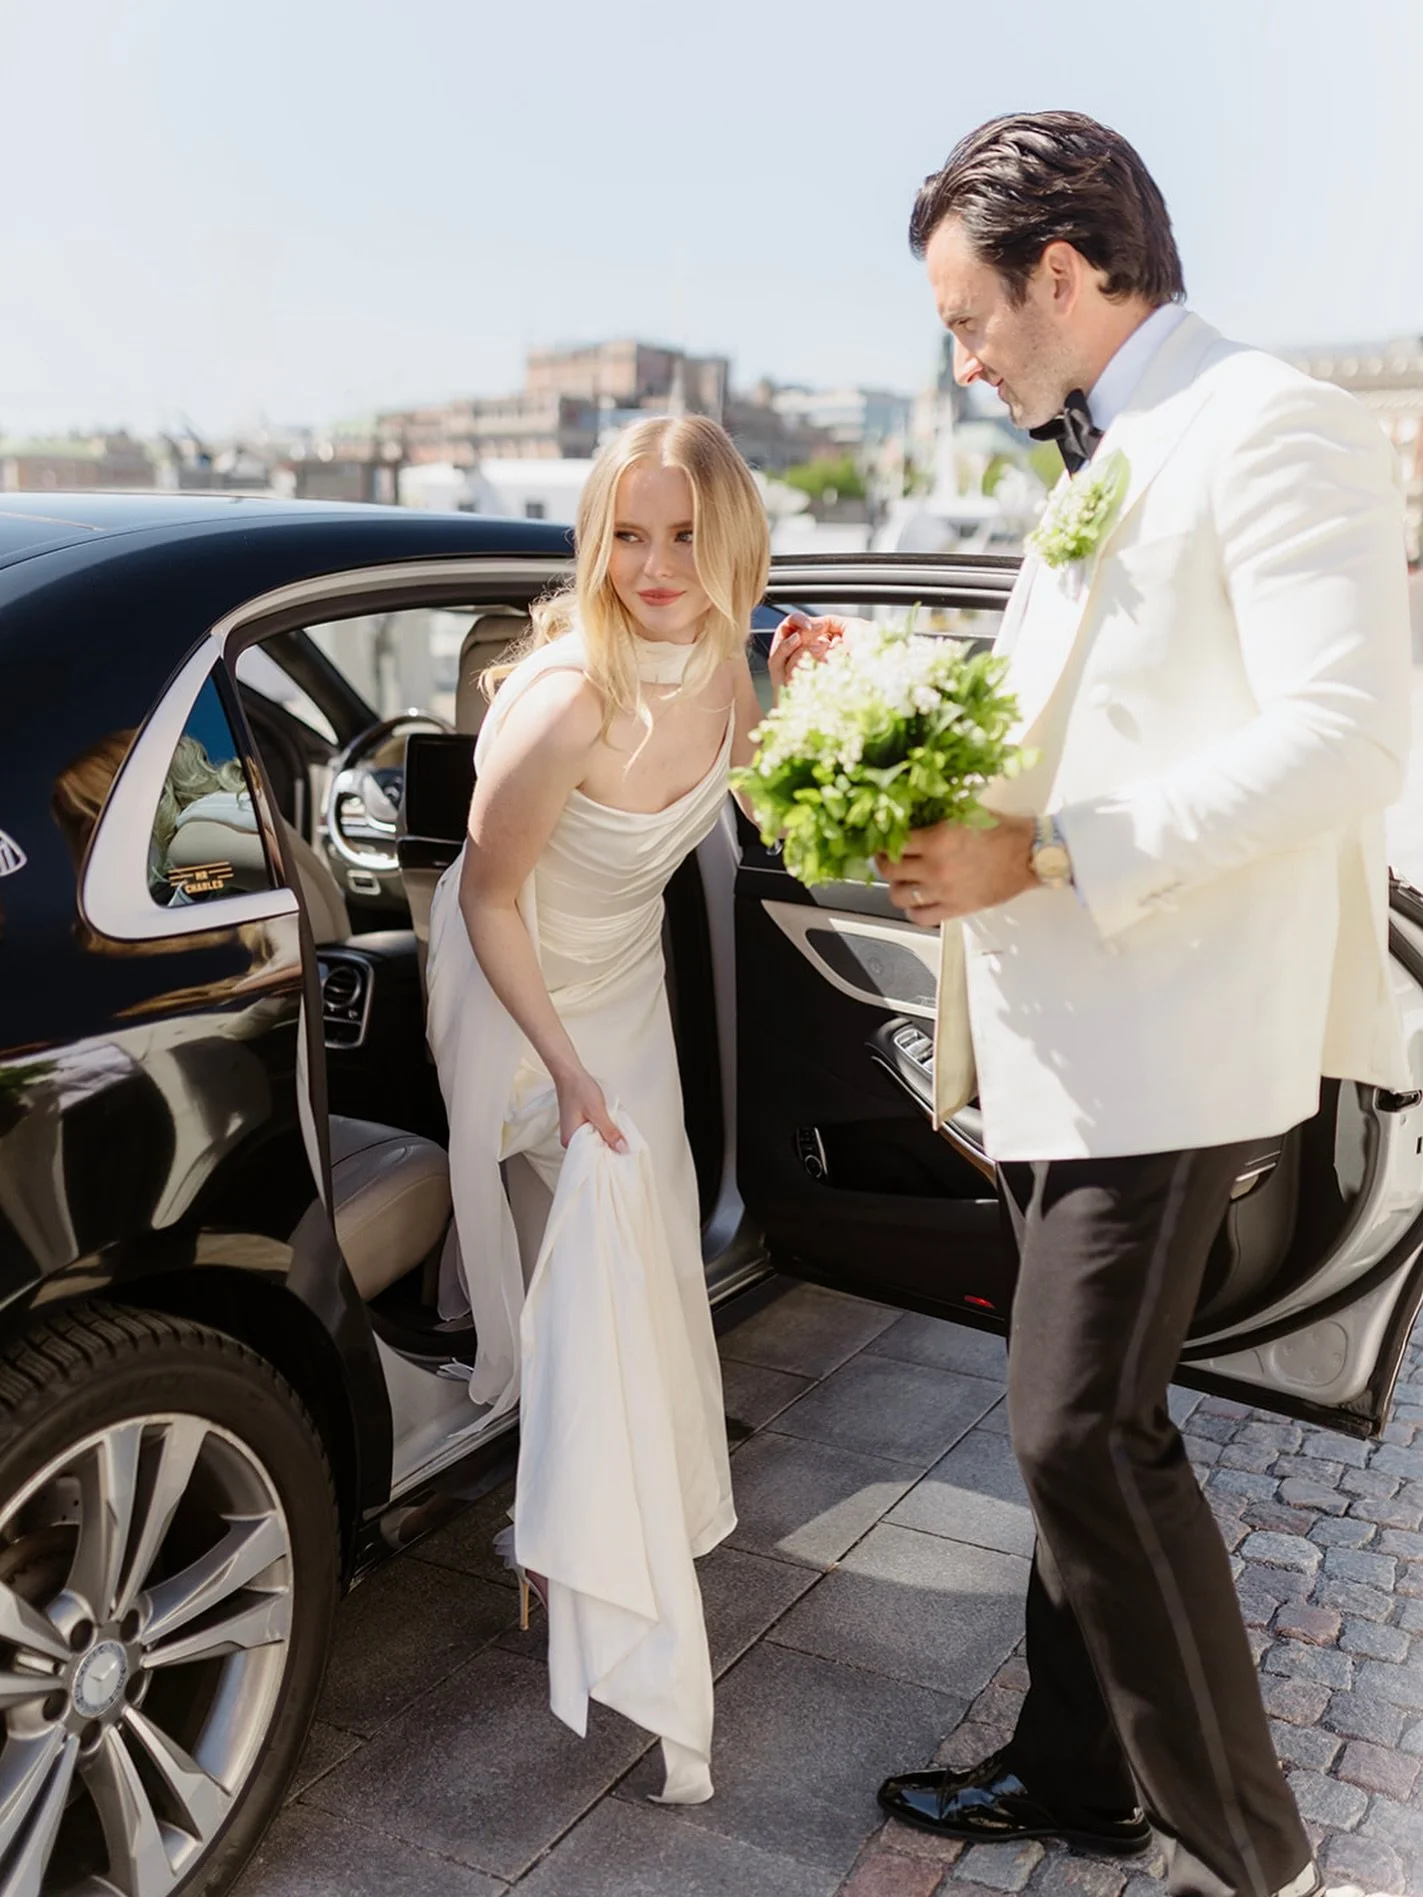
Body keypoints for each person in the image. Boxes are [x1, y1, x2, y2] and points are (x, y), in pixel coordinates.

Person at [859, 112, 1411, 1895]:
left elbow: (1340, 740)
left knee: (1081, 1430)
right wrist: (893, 724)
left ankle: (1259, 1862)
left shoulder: (1271, 425)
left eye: (971, 321)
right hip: (1070, 1037)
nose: (961, 362)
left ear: (1069, 276)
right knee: (1087, 1415)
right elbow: (1094, 699)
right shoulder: (1119, 441)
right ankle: (1080, 1776)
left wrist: (1049, 855)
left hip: (1169, 1041)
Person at [424, 413, 814, 1803]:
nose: (654, 566)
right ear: (598, 538)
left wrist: (819, 709)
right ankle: (562, 1533)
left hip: (625, 993)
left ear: (729, 538)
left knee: (637, 1256)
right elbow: (482, 899)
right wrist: (565, 1068)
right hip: (517, 989)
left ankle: (591, 1509)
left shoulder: (724, 667)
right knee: (561, 1256)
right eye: (629, 534)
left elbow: (771, 808)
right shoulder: (561, 702)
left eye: (683, 534)